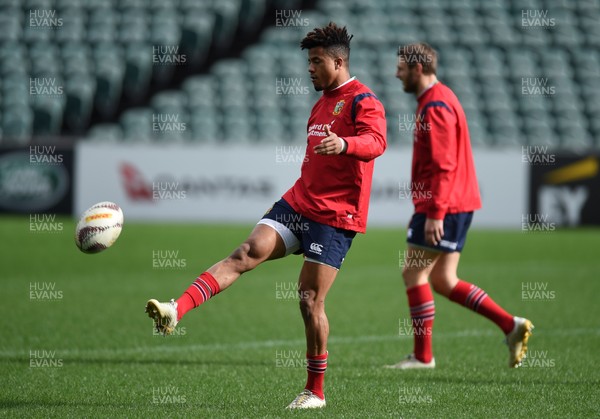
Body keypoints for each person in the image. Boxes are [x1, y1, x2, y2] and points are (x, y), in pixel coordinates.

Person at [146, 22, 387, 409]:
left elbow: (377, 142)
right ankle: (177, 309)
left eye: (316, 61)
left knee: (309, 301)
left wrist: (345, 143)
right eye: (308, 61)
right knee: (245, 252)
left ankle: (315, 392)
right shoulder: (321, 102)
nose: (309, 68)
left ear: (339, 61)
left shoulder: (363, 100)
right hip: (299, 202)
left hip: (335, 216)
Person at [387, 42, 533, 370]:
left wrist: (435, 212)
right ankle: (511, 326)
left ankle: (423, 357)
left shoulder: (436, 105)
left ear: (418, 68)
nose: (396, 74)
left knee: (413, 274)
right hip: (458, 202)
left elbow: (444, 164)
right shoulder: (440, 98)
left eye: (401, 68)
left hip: (444, 205)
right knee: (443, 280)